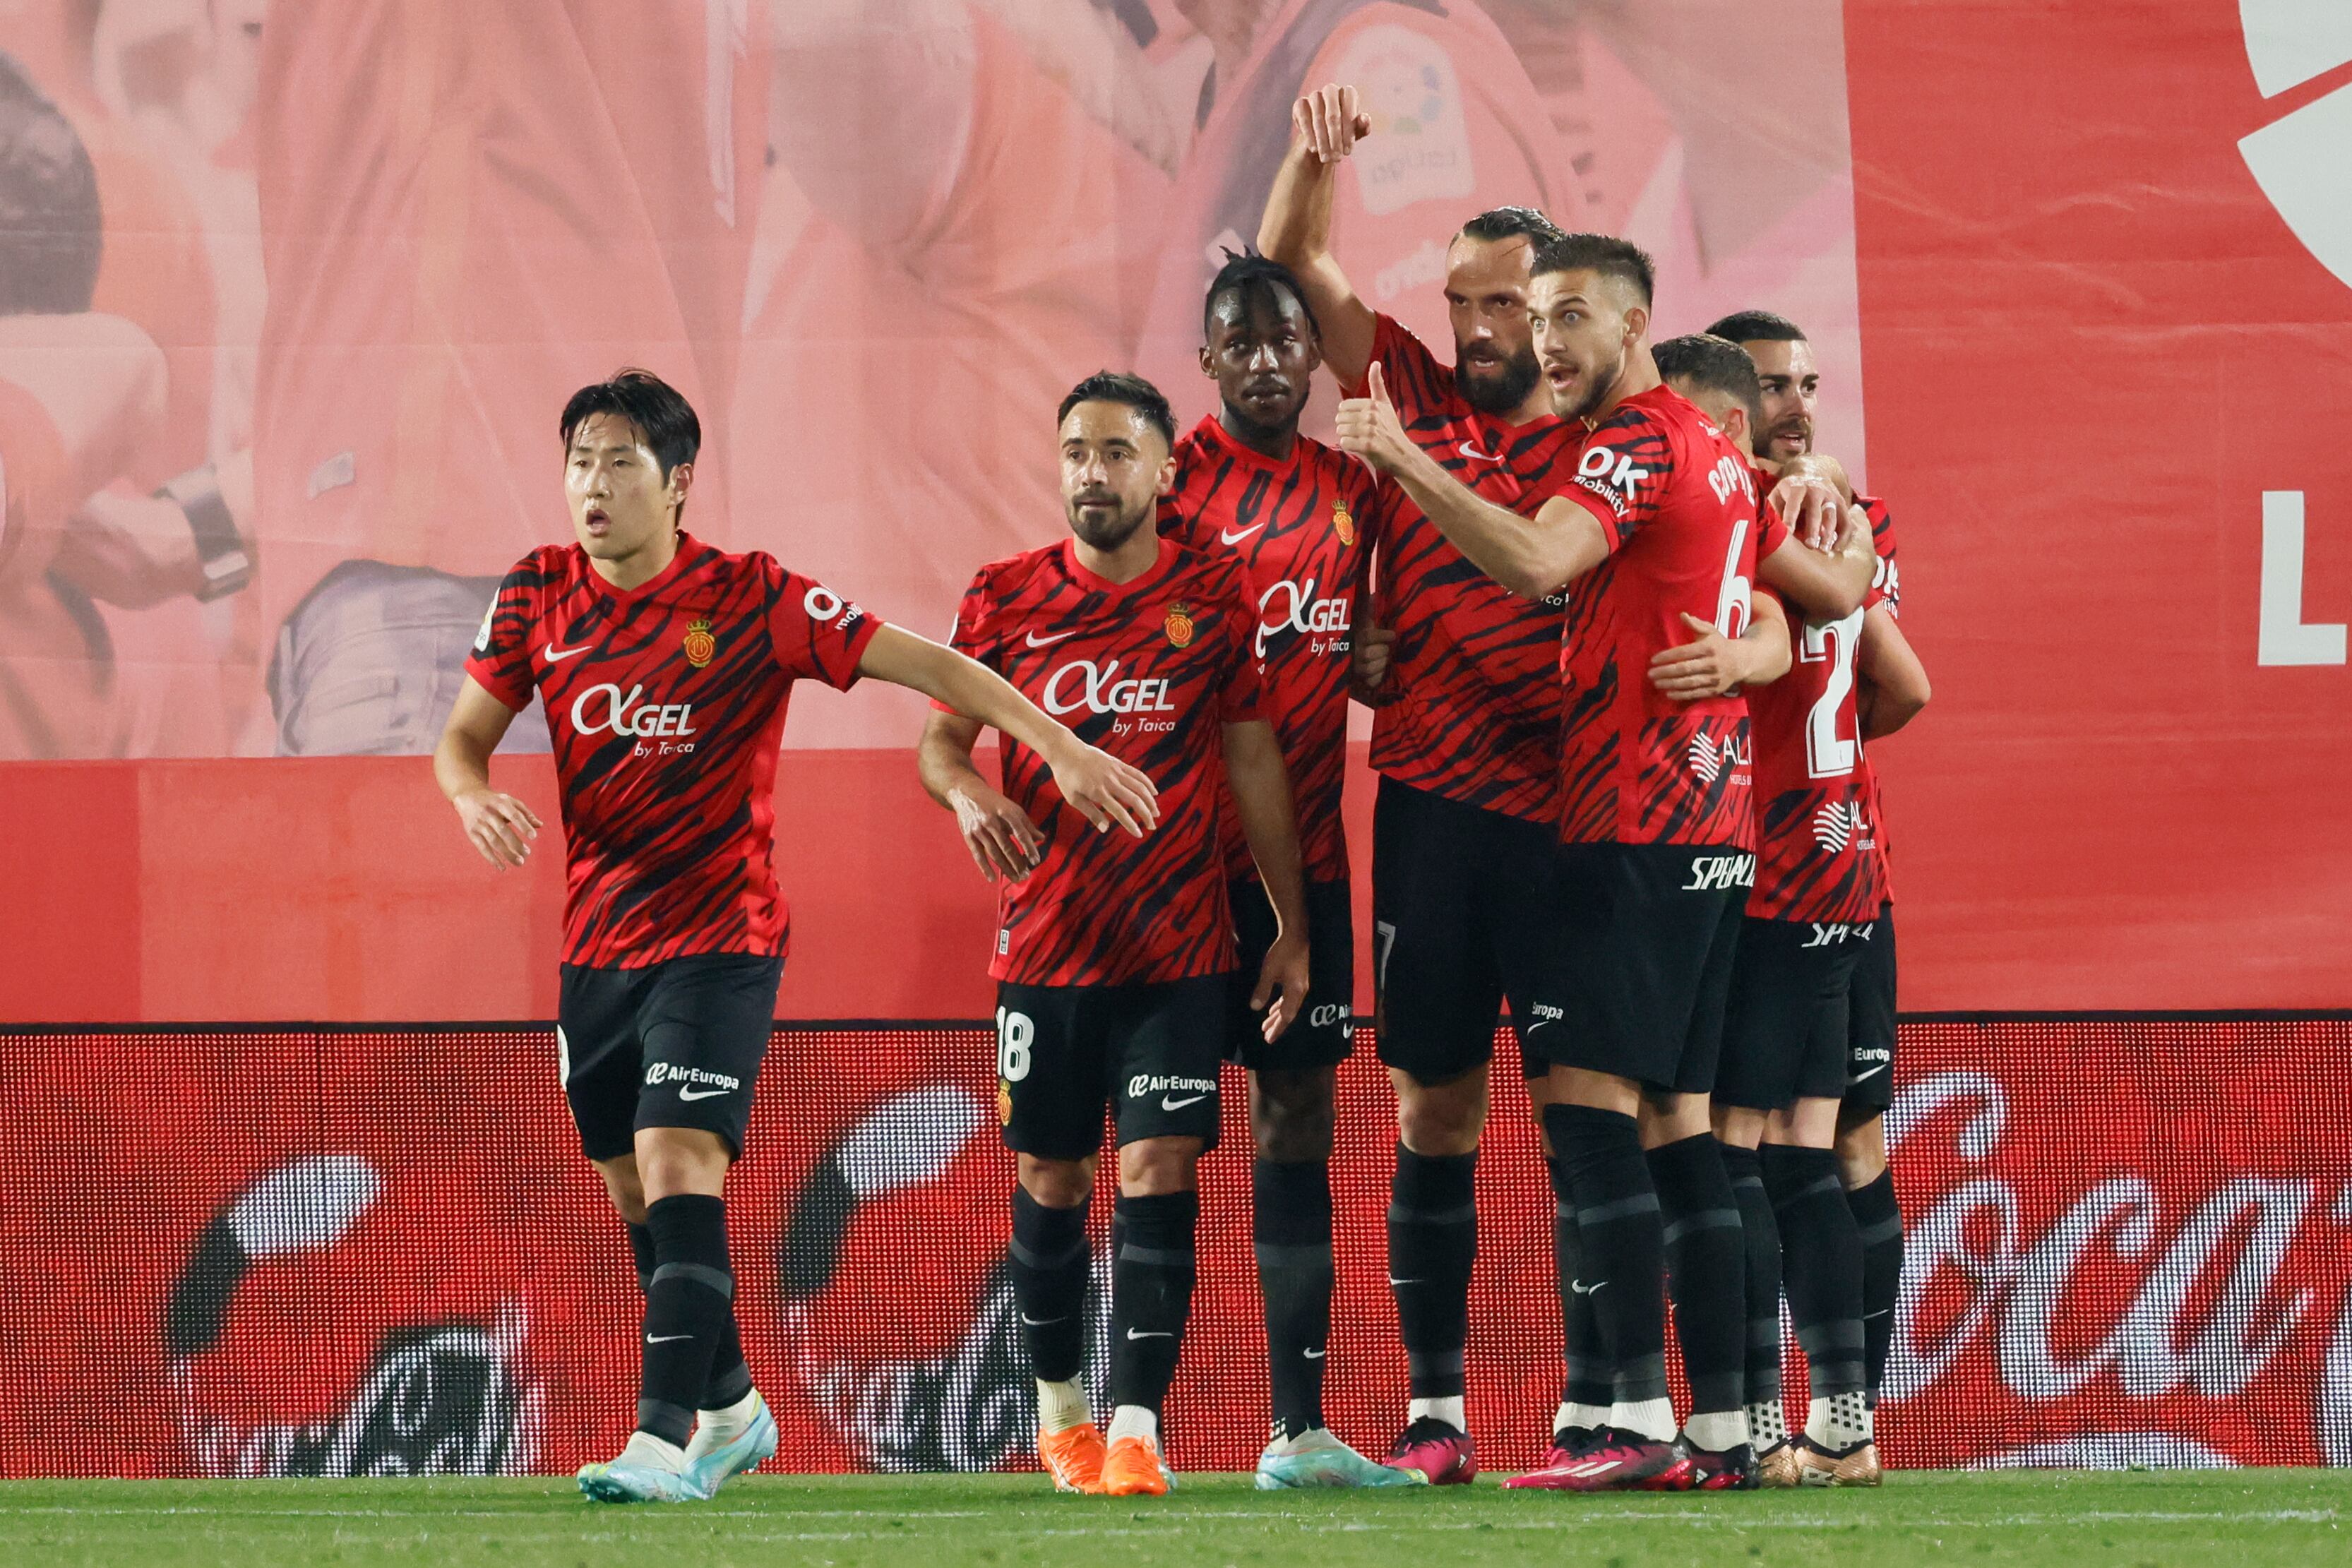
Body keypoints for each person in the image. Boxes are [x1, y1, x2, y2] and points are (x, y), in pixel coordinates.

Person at [434, 369, 1157, 1504]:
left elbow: (930, 661)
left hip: (723, 937)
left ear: (678, 483)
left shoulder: (752, 596)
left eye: (621, 463)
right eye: (580, 461)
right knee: (638, 1193)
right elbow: (462, 740)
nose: (594, 486)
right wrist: (469, 792)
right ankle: (730, 1409)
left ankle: (663, 1441)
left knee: (680, 1163)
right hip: (597, 948)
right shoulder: (536, 594)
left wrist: (1052, 742)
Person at [1331, 234, 1873, 1490]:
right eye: (1539, 312)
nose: (1550, 336)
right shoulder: (1722, 457)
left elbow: (1535, 563)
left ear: (1634, 329)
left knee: (1589, 1125)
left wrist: (1404, 456)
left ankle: (1627, 1417)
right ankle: (1726, 1430)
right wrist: (1777, 597)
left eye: (1571, 313)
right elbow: (1836, 594)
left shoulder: (1631, 444)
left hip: (1632, 828)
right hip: (1717, 839)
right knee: (1684, 1128)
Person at [920, 370, 1311, 1497]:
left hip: (1180, 950)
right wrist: (968, 795)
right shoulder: (1003, 595)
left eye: (1117, 452)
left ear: (1162, 469)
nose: (1094, 472)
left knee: (1159, 1164)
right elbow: (940, 744)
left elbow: (1251, 757)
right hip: (1044, 953)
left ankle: (1138, 1427)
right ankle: (1061, 1417)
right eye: (1077, 452)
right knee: (1053, 1176)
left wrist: (1289, 921)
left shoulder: (1214, 590)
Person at [1156, 253, 1414, 1487]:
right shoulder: (1167, 490)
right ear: (1204, 360)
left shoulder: (1352, 489)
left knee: (1296, 1121)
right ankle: (1121, 1420)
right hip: (1167, 874)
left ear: (1316, 355)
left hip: (1304, 866)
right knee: (1149, 1140)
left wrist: (1372, 659)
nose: (1265, 361)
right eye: (1239, 342)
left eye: (1285, 340)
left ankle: (1295, 1428)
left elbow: (1369, 650)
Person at [1655, 331, 1925, 1489]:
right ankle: (1847, 1421)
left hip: (1763, 870)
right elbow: (1902, 687)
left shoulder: (1735, 516)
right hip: (1846, 872)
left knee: (1745, 1151)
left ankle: (1760, 1424)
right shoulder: (1849, 521)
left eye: (1809, 384)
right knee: (1818, 1151)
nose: (1797, 405)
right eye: (1777, 385)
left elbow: (1845, 668)